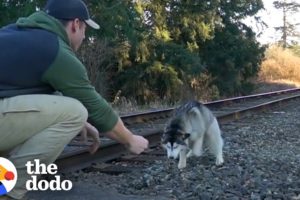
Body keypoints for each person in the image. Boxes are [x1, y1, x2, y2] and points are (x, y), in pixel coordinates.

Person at [0, 0, 149, 199]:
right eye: (85, 30)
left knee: (73, 113)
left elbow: (18, 94)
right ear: (75, 24)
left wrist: (79, 122)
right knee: (74, 111)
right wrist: (130, 140)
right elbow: (95, 106)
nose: (85, 37)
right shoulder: (55, 49)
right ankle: (7, 192)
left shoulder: (17, 33)